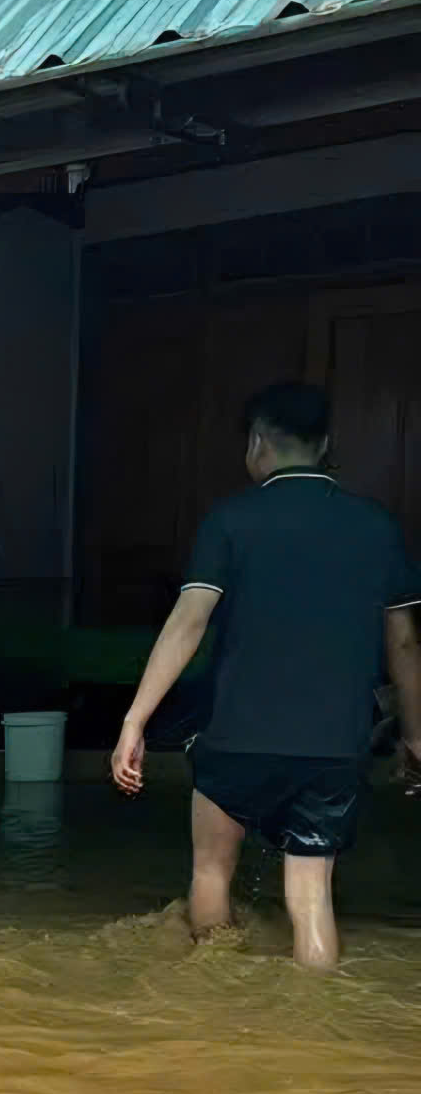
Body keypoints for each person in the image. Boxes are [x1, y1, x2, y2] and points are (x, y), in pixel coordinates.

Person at [111, 381, 421, 970]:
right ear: (324, 444)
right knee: (311, 898)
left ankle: (216, 1000)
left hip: (236, 738)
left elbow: (187, 623)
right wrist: (416, 734)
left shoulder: (231, 520)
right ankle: (313, 1013)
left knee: (211, 872)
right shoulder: (376, 527)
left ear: (257, 442)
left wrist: (135, 721)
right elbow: (404, 641)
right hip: (335, 745)